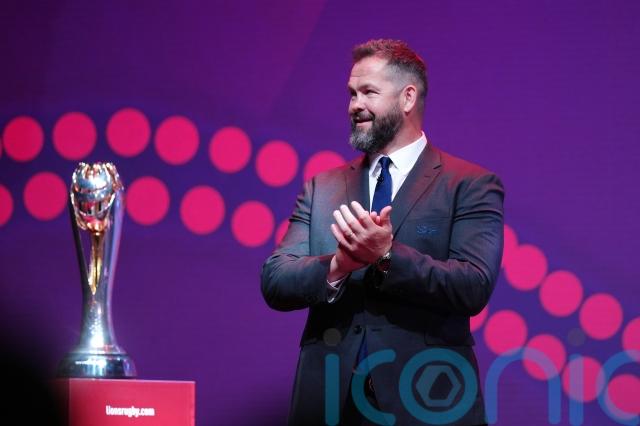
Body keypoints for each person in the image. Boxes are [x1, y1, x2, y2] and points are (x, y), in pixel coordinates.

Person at [261, 39, 504, 426]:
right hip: (330, 404)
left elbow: (473, 286)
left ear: (408, 98)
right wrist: (339, 265)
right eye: (351, 93)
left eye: (368, 92)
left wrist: (386, 256)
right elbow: (276, 279)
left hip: (427, 400)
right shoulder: (322, 186)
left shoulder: (469, 184)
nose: (354, 105)